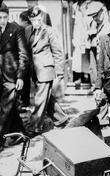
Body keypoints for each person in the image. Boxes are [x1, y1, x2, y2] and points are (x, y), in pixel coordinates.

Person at [24, 7, 68, 136]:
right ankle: (62, 119)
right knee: (47, 98)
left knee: (40, 98)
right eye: (33, 20)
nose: (36, 22)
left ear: (41, 17)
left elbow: (58, 52)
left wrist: (60, 72)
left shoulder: (48, 31)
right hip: (33, 70)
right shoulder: (27, 31)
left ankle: (34, 127)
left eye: (38, 19)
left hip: (46, 70)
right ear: (29, 19)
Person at [0, 3, 29, 151]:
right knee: (9, 108)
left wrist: (20, 77)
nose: (2, 21)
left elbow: (24, 55)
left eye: (4, 17)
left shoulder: (16, 29)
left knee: (5, 107)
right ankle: (20, 133)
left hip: (11, 77)